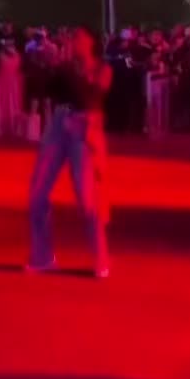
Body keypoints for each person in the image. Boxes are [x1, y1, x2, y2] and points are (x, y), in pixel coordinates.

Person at [27, 25, 112, 278]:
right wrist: (50, 65)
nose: (74, 42)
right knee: (37, 193)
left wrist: (64, 69)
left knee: (87, 198)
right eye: (73, 38)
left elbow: (88, 97)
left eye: (80, 38)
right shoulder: (65, 65)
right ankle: (42, 257)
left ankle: (101, 258)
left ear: (91, 42)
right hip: (58, 125)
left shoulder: (102, 69)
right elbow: (46, 89)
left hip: (84, 129)